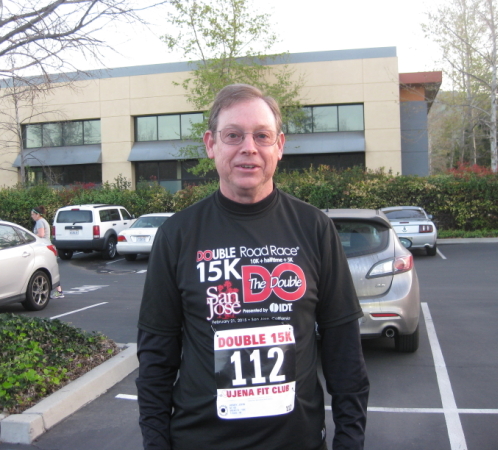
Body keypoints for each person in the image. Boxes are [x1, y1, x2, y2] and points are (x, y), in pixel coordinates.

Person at [136, 84, 369, 450]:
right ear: (211, 144)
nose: (249, 147)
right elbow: (156, 356)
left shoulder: (314, 228)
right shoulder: (177, 235)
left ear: (279, 146)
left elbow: (344, 352)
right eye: (233, 135)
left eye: (262, 135)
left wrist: (350, 441)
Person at [31, 206, 64, 299]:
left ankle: (58, 291)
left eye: (33, 214)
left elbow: (41, 234)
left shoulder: (40, 222)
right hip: (46, 247)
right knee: (50, 269)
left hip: (44, 248)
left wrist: (31, 236)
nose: (32, 216)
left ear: (37, 214)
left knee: (48, 269)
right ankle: (58, 291)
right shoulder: (42, 221)